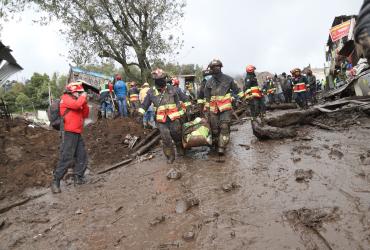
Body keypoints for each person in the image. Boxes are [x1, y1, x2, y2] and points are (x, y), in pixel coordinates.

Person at [138, 69, 189, 164]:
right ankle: (170, 156)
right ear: (155, 81)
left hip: (174, 118)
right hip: (161, 120)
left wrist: (185, 110)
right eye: (160, 79)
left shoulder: (172, 89)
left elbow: (180, 100)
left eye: (163, 79)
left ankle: (180, 148)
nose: (163, 81)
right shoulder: (151, 92)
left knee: (177, 135)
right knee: (166, 139)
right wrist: (140, 114)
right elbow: (145, 104)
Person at [51, 82, 89, 193]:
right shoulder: (65, 98)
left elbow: (85, 114)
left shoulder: (77, 100)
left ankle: (78, 177)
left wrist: (84, 102)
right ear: (72, 91)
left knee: (82, 156)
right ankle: (55, 181)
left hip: (77, 132)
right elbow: (76, 105)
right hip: (68, 132)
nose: (80, 94)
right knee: (67, 157)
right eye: (79, 92)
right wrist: (82, 98)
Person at [204, 59, 244, 155]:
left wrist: (242, 98)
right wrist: (206, 110)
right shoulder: (208, 82)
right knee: (214, 129)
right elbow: (207, 97)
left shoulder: (229, 79)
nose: (216, 68)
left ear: (221, 67)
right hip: (213, 109)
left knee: (224, 126)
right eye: (213, 67)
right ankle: (216, 144)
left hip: (225, 108)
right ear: (211, 69)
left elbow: (238, 91)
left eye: (218, 66)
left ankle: (221, 147)